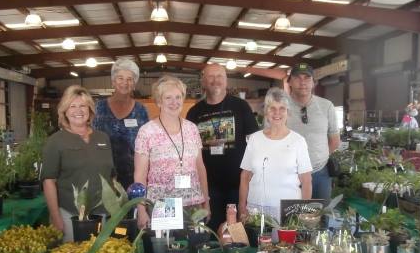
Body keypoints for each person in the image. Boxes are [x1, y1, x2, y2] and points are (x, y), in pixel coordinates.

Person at [186, 64, 258, 231]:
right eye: (210, 76)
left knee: (237, 231)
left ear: (226, 81)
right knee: (210, 230)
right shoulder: (194, 112)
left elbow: (254, 142)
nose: (215, 80)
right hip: (208, 185)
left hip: (238, 183)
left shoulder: (241, 106)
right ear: (203, 81)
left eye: (220, 76)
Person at [134, 75, 210, 230]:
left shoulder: (192, 129)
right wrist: (141, 210)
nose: (174, 102)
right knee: (165, 251)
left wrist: (206, 202)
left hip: (193, 203)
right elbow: (140, 175)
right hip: (162, 204)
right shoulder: (147, 131)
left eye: (178, 97)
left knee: (194, 250)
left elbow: (200, 168)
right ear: (159, 101)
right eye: (168, 97)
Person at [41, 86, 114, 242]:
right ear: (64, 111)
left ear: (90, 110)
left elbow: (111, 176)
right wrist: (55, 217)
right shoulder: (55, 141)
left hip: (101, 214)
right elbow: (49, 182)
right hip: (69, 215)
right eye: (72, 106)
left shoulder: (103, 138)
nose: (78, 110)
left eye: (82, 105)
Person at [239, 88, 312, 224]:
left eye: (282, 108)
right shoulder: (254, 139)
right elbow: (245, 176)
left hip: (288, 213)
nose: (277, 113)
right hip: (255, 211)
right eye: (272, 108)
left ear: (288, 112)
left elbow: (306, 181)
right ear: (266, 112)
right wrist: (242, 207)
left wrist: (303, 213)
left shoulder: (298, 141)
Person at [285, 63, 340, 201]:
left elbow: (334, 140)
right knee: (292, 219)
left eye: (307, 78)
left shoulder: (326, 106)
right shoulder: (280, 106)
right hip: (290, 175)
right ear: (290, 82)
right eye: (297, 78)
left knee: (321, 217)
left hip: (320, 174)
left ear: (313, 83)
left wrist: (317, 158)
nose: (302, 82)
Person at [93, 60, 149, 188]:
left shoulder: (141, 110)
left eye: (130, 79)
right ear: (113, 81)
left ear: (134, 84)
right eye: (120, 78)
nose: (125, 82)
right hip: (102, 176)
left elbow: (147, 145)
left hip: (133, 176)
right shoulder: (97, 108)